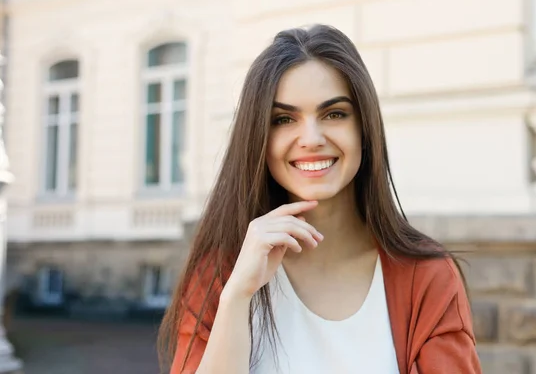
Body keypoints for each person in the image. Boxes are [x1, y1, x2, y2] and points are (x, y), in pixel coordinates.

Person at [158, 24, 482, 374]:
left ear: (364, 129)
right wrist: (236, 297)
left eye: (334, 114)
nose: (311, 138)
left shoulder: (427, 277)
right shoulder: (220, 276)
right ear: (259, 140)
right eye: (283, 119)